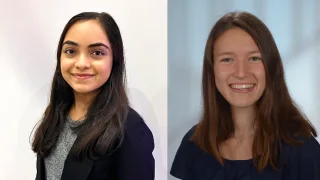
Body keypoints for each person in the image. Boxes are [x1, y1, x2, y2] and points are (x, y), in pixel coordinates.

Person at [170, 11, 320, 180]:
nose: (241, 73)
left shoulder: (303, 151)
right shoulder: (195, 144)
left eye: (254, 58)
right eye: (227, 59)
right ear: (212, 70)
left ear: (271, 66)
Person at [31, 12, 155, 180]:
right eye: (71, 51)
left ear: (114, 60)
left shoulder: (130, 130)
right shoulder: (55, 115)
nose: (81, 64)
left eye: (97, 53)